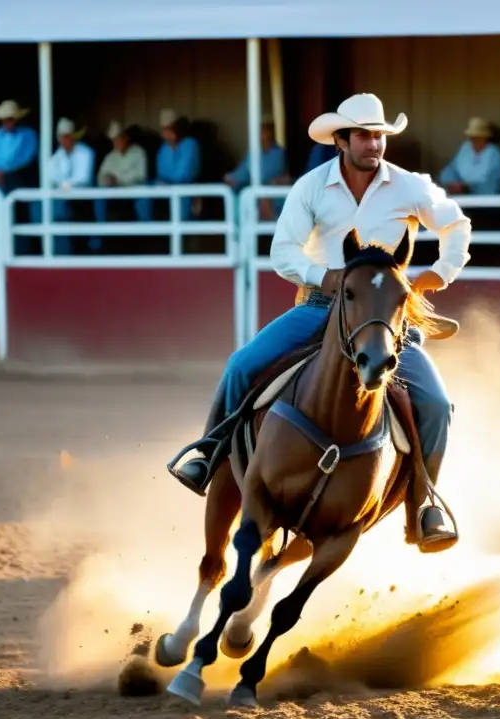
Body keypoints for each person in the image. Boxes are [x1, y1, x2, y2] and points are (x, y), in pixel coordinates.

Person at [168, 93, 471, 551]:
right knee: (240, 366)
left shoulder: (409, 185)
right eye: (366, 136)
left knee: (437, 405)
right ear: (341, 141)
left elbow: (457, 225)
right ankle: (210, 454)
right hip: (317, 306)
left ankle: (422, 506)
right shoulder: (311, 187)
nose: (375, 144)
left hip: (380, 318)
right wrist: (322, 275)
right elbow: (283, 251)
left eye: (380, 136)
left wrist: (437, 275)